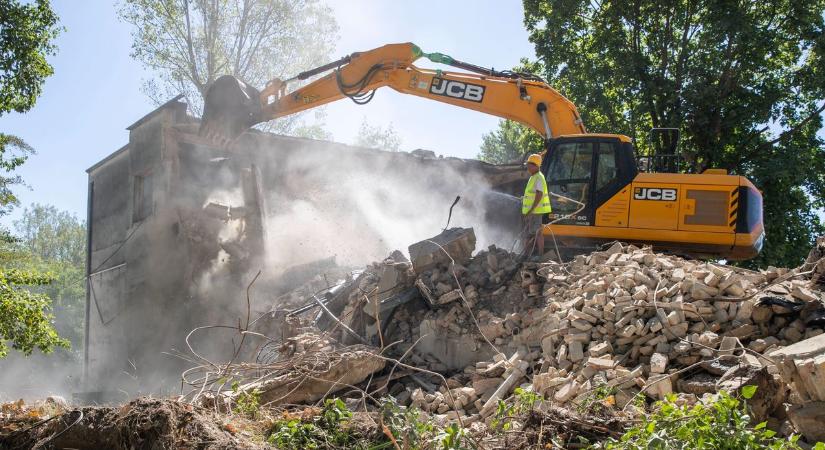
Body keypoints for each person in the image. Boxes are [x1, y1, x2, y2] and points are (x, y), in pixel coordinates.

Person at [522, 153, 552, 258]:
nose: (527, 167)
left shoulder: (539, 177)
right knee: (529, 233)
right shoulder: (533, 177)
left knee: (537, 233)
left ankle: (539, 255)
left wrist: (531, 211)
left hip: (535, 211)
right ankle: (526, 254)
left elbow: (539, 194)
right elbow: (532, 194)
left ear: (535, 165)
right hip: (531, 211)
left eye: (529, 165)